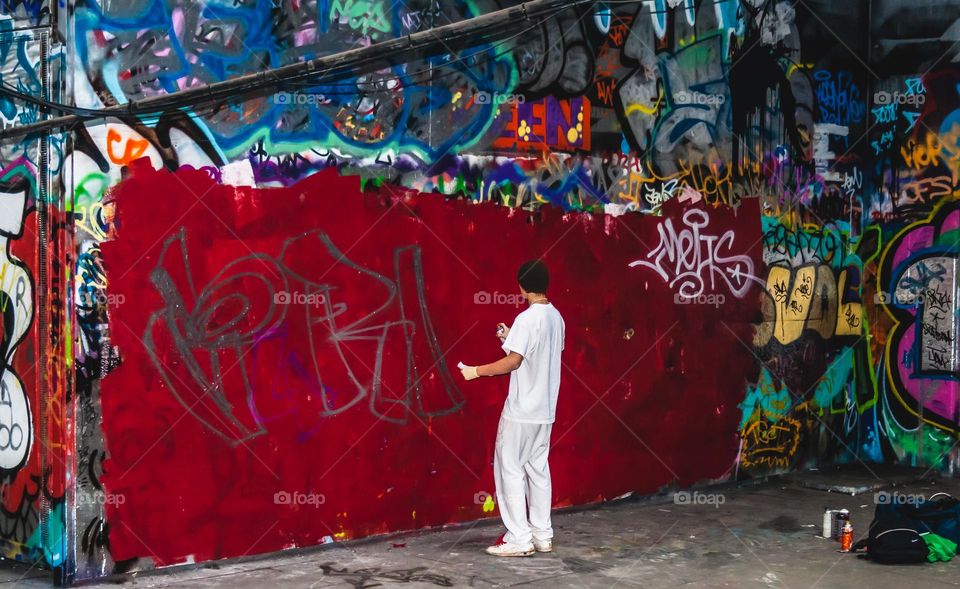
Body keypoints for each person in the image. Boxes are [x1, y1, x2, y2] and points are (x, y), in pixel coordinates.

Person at [459, 260, 565, 557]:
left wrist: (476, 371)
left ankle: (519, 537)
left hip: (521, 411)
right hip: (545, 411)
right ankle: (542, 534)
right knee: (538, 469)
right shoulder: (556, 318)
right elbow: (538, 354)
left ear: (521, 286)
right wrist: (510, 339)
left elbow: (515, 362)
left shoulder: (527, 318)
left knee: (510, 469)